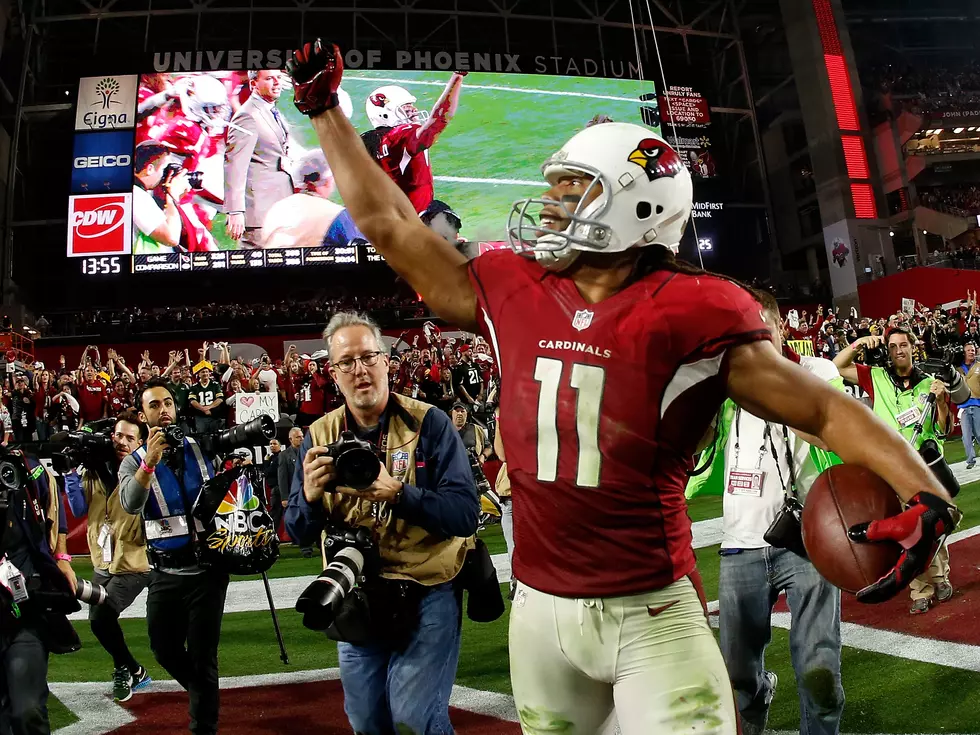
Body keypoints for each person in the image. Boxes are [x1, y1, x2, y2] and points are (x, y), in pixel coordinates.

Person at [286, 41, 958, 733]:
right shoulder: (513, 287)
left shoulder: (692, 309)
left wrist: (923, 487)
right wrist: (324, 110)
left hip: (653, 617)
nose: (547, 207)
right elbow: (389, 222)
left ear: (638, 209)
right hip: (540, 618)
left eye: (570, 191)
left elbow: (818, 405)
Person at [285, 311, 478, 735]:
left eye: (369, 357)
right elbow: (298, 530)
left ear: (386, 361)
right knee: (367, 723)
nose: (360, 370)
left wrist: (398, 493)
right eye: (347, 362)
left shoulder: (430, 422)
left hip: (427, 585)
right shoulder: (319, 436)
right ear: (333, 374)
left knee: (413, 718)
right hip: (356, 592)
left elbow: (465, 514)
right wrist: (312, 499)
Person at [687, 292, 844, 735]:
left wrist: (775, 394)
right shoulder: (724, 386)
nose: (751, 341)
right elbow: (699, 455)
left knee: (820, 670)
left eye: (761, 329)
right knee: (737, 673)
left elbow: (832, 436)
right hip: (740, 543)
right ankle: (757, 708)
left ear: (781, 329)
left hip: (806, 540)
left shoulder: (815, 372)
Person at [119, 378, 227, 735]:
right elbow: (131, 504)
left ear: (175, 407)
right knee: (163, 648)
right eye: (154, 405)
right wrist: (149, 461)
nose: (163, 410)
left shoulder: (202, 447)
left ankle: (203, 727)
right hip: (165, 571)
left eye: (167, 403)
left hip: (208, 570)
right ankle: (201, 692)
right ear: (143, 414)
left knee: (202, 656)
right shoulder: (132, 461)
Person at [834, 329, 954, 615]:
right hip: (891, 468)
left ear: (913, 348)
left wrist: (940, 401)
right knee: (907, 531)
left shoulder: (930, 383)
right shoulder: (876, 377)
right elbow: (838, 366)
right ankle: (919, 590)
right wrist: (859, 343)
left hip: (925, 468)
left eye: (903, 344)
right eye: (892, 346)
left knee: (932, 526)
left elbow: (944, 428)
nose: (898, 350)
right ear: (887, 350)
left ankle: (940, 578)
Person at [63, 410, 153, 702]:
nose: (122, 441)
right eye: (118, 435)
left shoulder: (146, 470)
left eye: (130, 437)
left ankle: (125, 668)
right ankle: (134, 669)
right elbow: (78, 510)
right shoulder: (92, 467)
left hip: (134, 561)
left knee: (102, 617)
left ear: (141, 442)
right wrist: (70, 475)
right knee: (99, 621)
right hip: (102, 560)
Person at [0, 448, 76, 735]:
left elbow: (55, 515)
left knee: (27, 710)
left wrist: (62, 557)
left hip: (25, 609)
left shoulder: (27, 469)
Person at [360, 74, 466, 214]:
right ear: (384, 114)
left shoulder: (368, 140)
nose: (414, 112)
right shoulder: (399, 136)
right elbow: (440, 119)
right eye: (407, 109)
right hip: (413, 219)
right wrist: (457, 77)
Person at [224, 70, 294, 247]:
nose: (277, 83)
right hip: (258, 214)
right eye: (270, 79)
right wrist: (235, 211)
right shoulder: (246, 116)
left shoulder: (269, 109)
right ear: (253, 84)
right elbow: (234, 165)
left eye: (278, 78)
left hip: (277, 205)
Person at [132, 140, 190, 253]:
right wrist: (172, 196)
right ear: (150, 169)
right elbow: (171, 238)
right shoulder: (138, 196)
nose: (164, 175)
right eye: (163, 169)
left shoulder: (133, 192)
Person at [278, 427, 310, 556]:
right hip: (295, 493)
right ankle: (305, 547)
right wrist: (285, 497)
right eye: (298, 437)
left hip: (310, 491)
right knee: (300, 520)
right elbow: (282, 477)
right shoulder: (284, 455)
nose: (301, 439)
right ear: (290, 439)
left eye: (302, 436)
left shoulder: (309, 452)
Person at [958, 342, 980, 469]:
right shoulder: (958, 369)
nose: (972, 352)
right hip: (963, 406)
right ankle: (970, 460)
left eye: (973, 350)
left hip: (977, 403)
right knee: (966, 435)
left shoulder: (979, 366)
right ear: (964, 353)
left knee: (979, 434)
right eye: (969, 350)